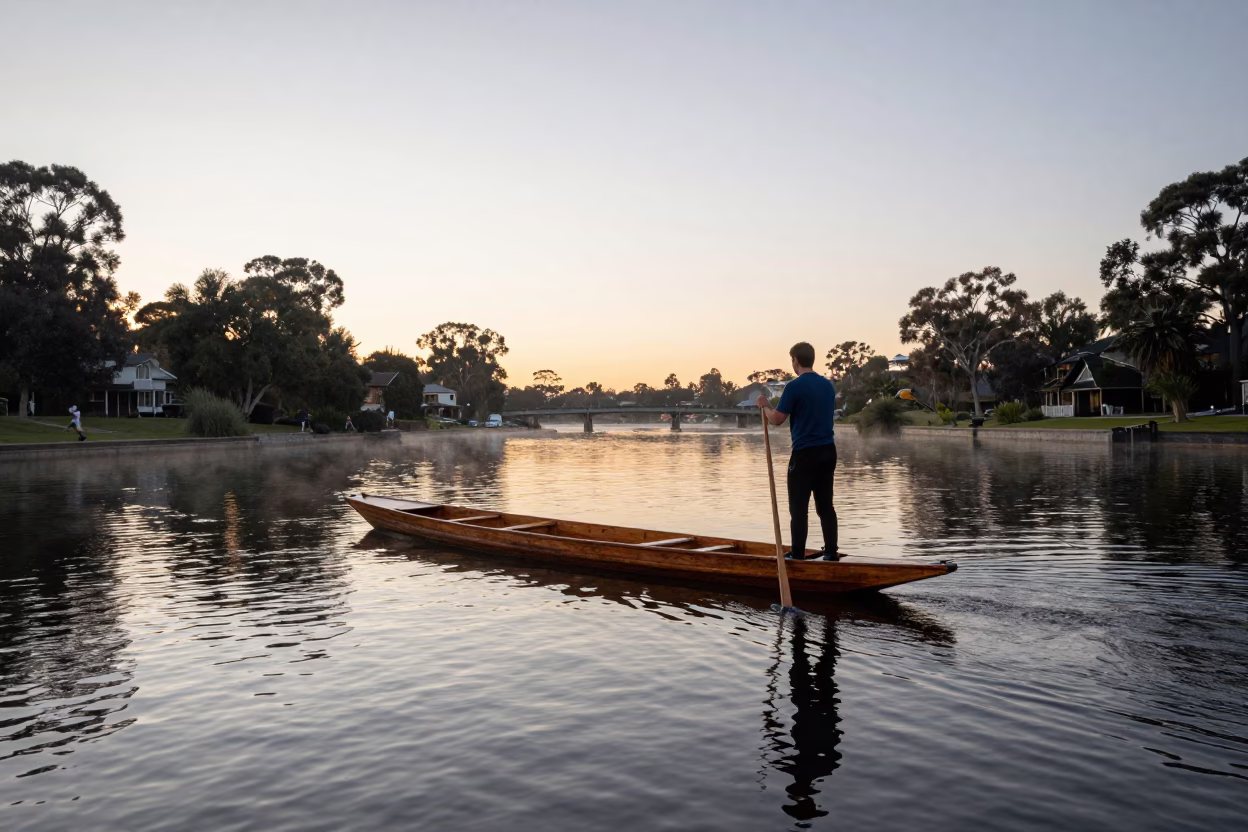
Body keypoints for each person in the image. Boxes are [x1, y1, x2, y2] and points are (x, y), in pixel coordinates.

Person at [756, 342, 839, 560]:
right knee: (825, 506)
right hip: (828, 451)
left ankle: (798, 555)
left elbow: (776, 419)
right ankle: (831, 553)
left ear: (795, 360)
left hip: (805, 453)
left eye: (791, 360)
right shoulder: (828, 385)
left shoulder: (794, 386)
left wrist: (764, 405)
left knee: (798, 508)